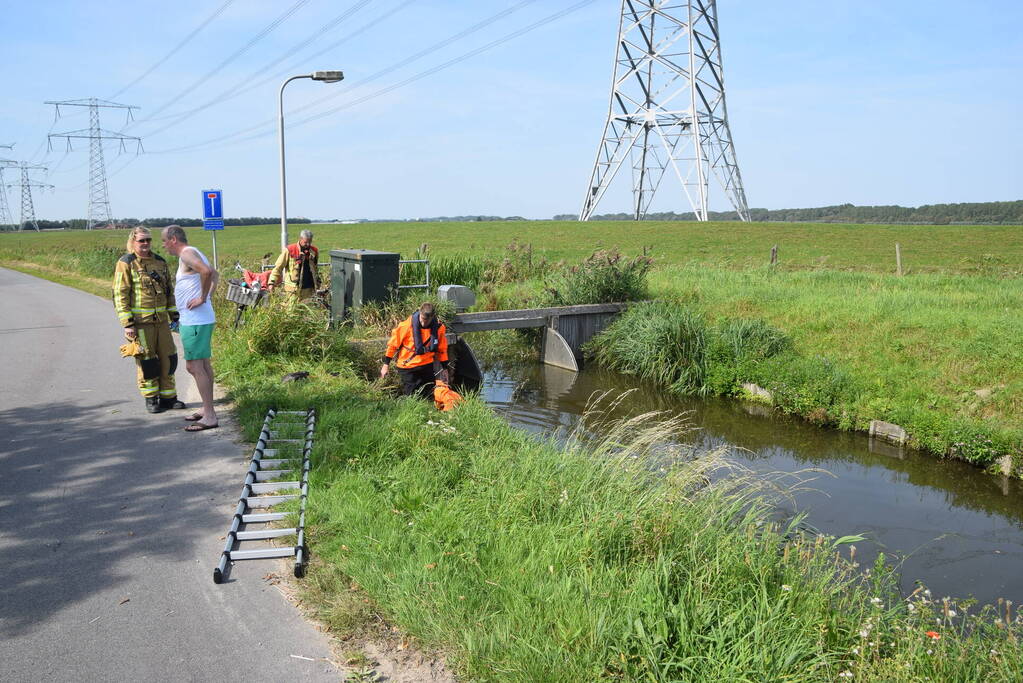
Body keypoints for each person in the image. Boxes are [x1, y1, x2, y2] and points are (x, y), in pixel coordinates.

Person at [113, 226, 185, 413]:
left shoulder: (160, 262)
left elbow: (169, 291)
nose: (145, 244)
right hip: (140, 324)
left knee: (169, 358)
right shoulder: (126, 263)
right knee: (148, 361)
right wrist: (127, 323)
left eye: (148, 240)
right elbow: (120, 294)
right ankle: (151, 398)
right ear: (133, 242)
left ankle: (169, 397)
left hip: (161, 322)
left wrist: (174, 315)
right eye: (141, 240)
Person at [161, 225, 220, 432]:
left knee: (194, 367)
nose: (163, 245)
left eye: (164, 241)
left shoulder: (187, 254)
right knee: (202, 365)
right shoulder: (192, 252)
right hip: (197, 319)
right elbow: (215, 275)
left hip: (196, 320)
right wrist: (207, 296)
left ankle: (210, 416)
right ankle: (207, 409)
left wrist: (203, 298)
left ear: (173, 239)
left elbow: (208, 272)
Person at [381, 302, 450, 398]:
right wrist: (386, 365)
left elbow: (442, 349)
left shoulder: (439, 328)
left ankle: (428, 412)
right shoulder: (406, 326)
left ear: (432, 317)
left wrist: (445, 368)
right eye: (422, 319)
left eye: (427, 320)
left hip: (427, 365)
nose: (423, 323)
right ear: (420, 314)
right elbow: (392, 345)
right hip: (408, 367)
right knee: (411, 397)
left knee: (429, 396)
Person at [268, 229, 319, 301]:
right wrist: (271, 283)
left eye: (310, 242)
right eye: (306, 242)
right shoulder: (290, 250)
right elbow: (278, 267)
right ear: (300, 239)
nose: (308, 244)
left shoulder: (314, 251)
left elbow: (315, 269)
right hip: (292, 289)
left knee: (307, 311)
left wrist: (317, 283)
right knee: (291, 311)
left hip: (309, 289)